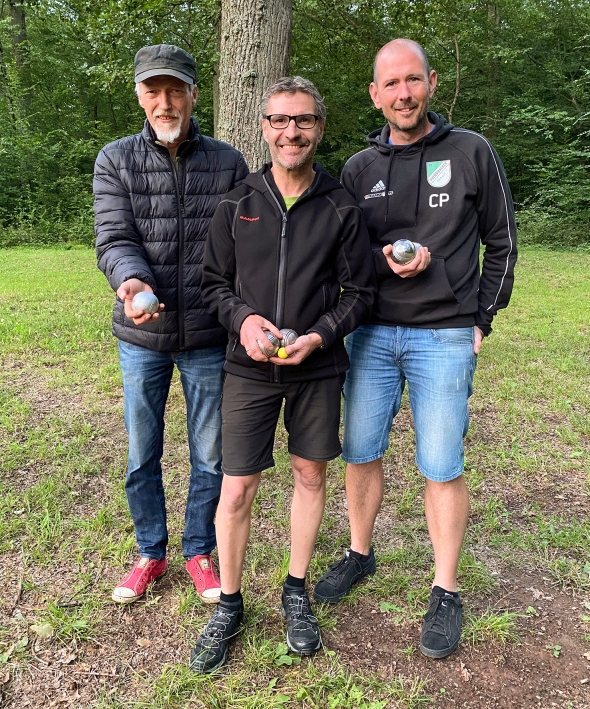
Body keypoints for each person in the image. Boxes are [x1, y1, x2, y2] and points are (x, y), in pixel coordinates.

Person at [313, 39, 517, 659]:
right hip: (371, 333)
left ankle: (445, 588)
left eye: (413, 80)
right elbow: (342, 253)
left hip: (444, 334)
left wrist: (482, 317)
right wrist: (379, 260)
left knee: (441, 464)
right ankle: (360, 552)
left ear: (429, 83)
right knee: (360, 451)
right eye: (391, 84)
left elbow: (503, 241)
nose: (403, 94)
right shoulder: (358, 168)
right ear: (375, 95)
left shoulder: (471, 151)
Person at [190, 76, 375, 673]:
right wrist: (243, 321)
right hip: (247, 367)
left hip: (316, 368)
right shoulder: (237, 201)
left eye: (303, 120)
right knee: (236, 485)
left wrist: (318, 336)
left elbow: (360, 292)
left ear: (319, 127)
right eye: (280, 120)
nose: (291, 131)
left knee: (309, 473)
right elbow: (212, 283)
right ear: (264, 127)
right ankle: (230, 603)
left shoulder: (341, 205)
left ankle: (296, 590)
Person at [94, 44, 248, 605]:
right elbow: (114, 238)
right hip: (143, 336)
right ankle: (150, 552)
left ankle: (199, 551)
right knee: (142, 452)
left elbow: (243, 246)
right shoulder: (115, 159)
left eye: (175, 90)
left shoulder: (229, 163)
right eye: (153, 91)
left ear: (193, 95)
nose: (165, 102)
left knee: (210, 454)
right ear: (139, 96)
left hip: (209, 333)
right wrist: (132, 282)